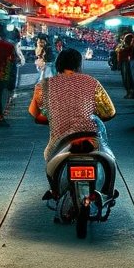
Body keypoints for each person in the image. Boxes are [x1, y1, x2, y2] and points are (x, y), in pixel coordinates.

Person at [28, 48, 115, 192]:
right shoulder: (91, 82)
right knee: (109, 160)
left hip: (59, 143)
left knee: (50, 165)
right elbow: (109, 113)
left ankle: (55, 192)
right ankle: (108, 192)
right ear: (79, 65)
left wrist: (53, 116)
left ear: (58, 65)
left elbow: (34, 114)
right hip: (91, 139)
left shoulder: (43, 85)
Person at [116, 33, 134, 99]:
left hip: (126, 63)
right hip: (124, 63)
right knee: (126, 78)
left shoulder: (130, 48)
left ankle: (130, 92)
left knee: (128, 78)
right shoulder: (124, 46)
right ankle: (129, 92)